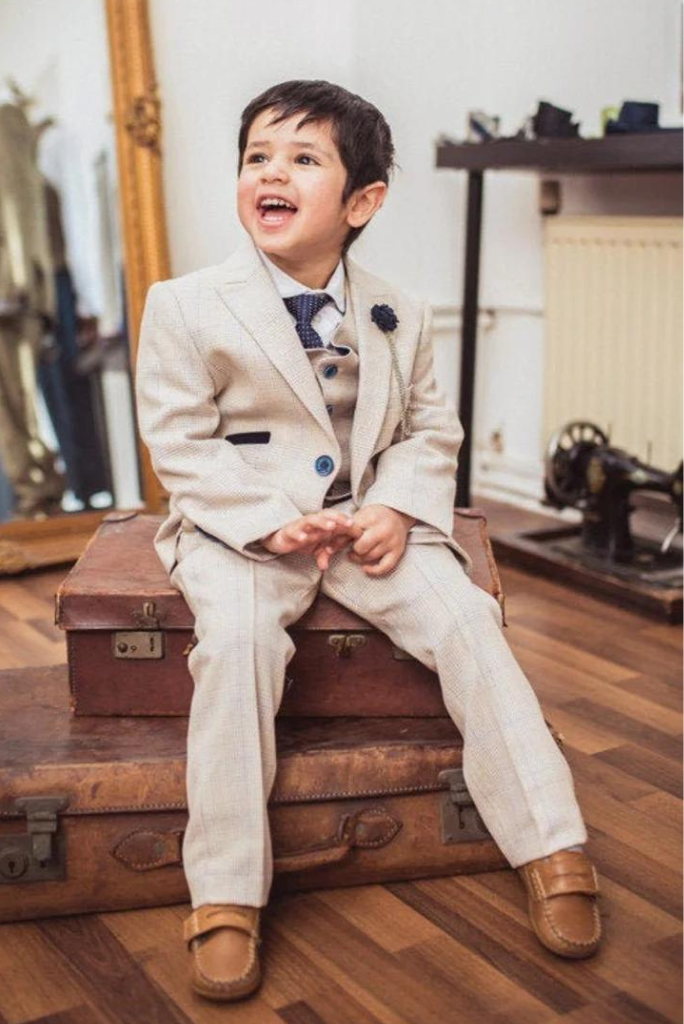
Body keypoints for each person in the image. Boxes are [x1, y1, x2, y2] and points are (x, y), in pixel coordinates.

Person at [135, 79, 601, 1003]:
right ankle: (225, 890)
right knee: (234, 645)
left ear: (362, 202)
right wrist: (267, 521)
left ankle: (553, 846)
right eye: (258, 157)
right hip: (243, 532)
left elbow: (430, 431)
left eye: (303, 159)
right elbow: (180, 443)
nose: (272, 174)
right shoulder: (184, 305)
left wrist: (396, 508)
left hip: (365, 522)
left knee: (469, 622)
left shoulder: (401, 310)